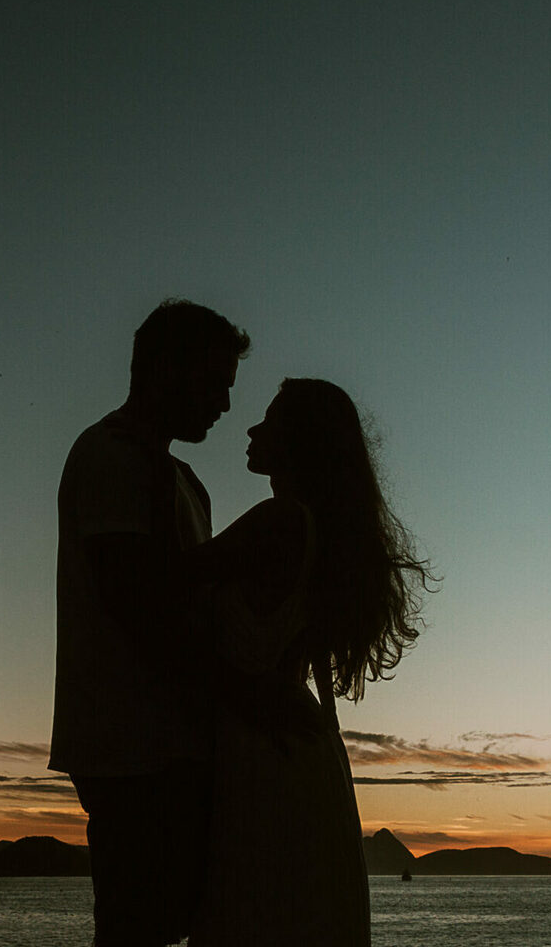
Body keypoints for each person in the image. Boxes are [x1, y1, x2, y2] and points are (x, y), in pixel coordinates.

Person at [183, 378, 434, 946]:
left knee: (255, 913)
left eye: (268, 421)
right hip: (294, 746)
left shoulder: (280, 521)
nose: (251, 430)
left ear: (300, 440)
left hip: (263, 744)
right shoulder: (316, 530)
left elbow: (155, 586)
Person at [49, 298, 251, 946]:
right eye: (216, 383)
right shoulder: (110, 455)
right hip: (131, 749)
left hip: (176, 747)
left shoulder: (184, 479)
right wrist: (246, 693)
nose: (224, 404)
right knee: (136, 930)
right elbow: (137, 602)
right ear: (166, 369)